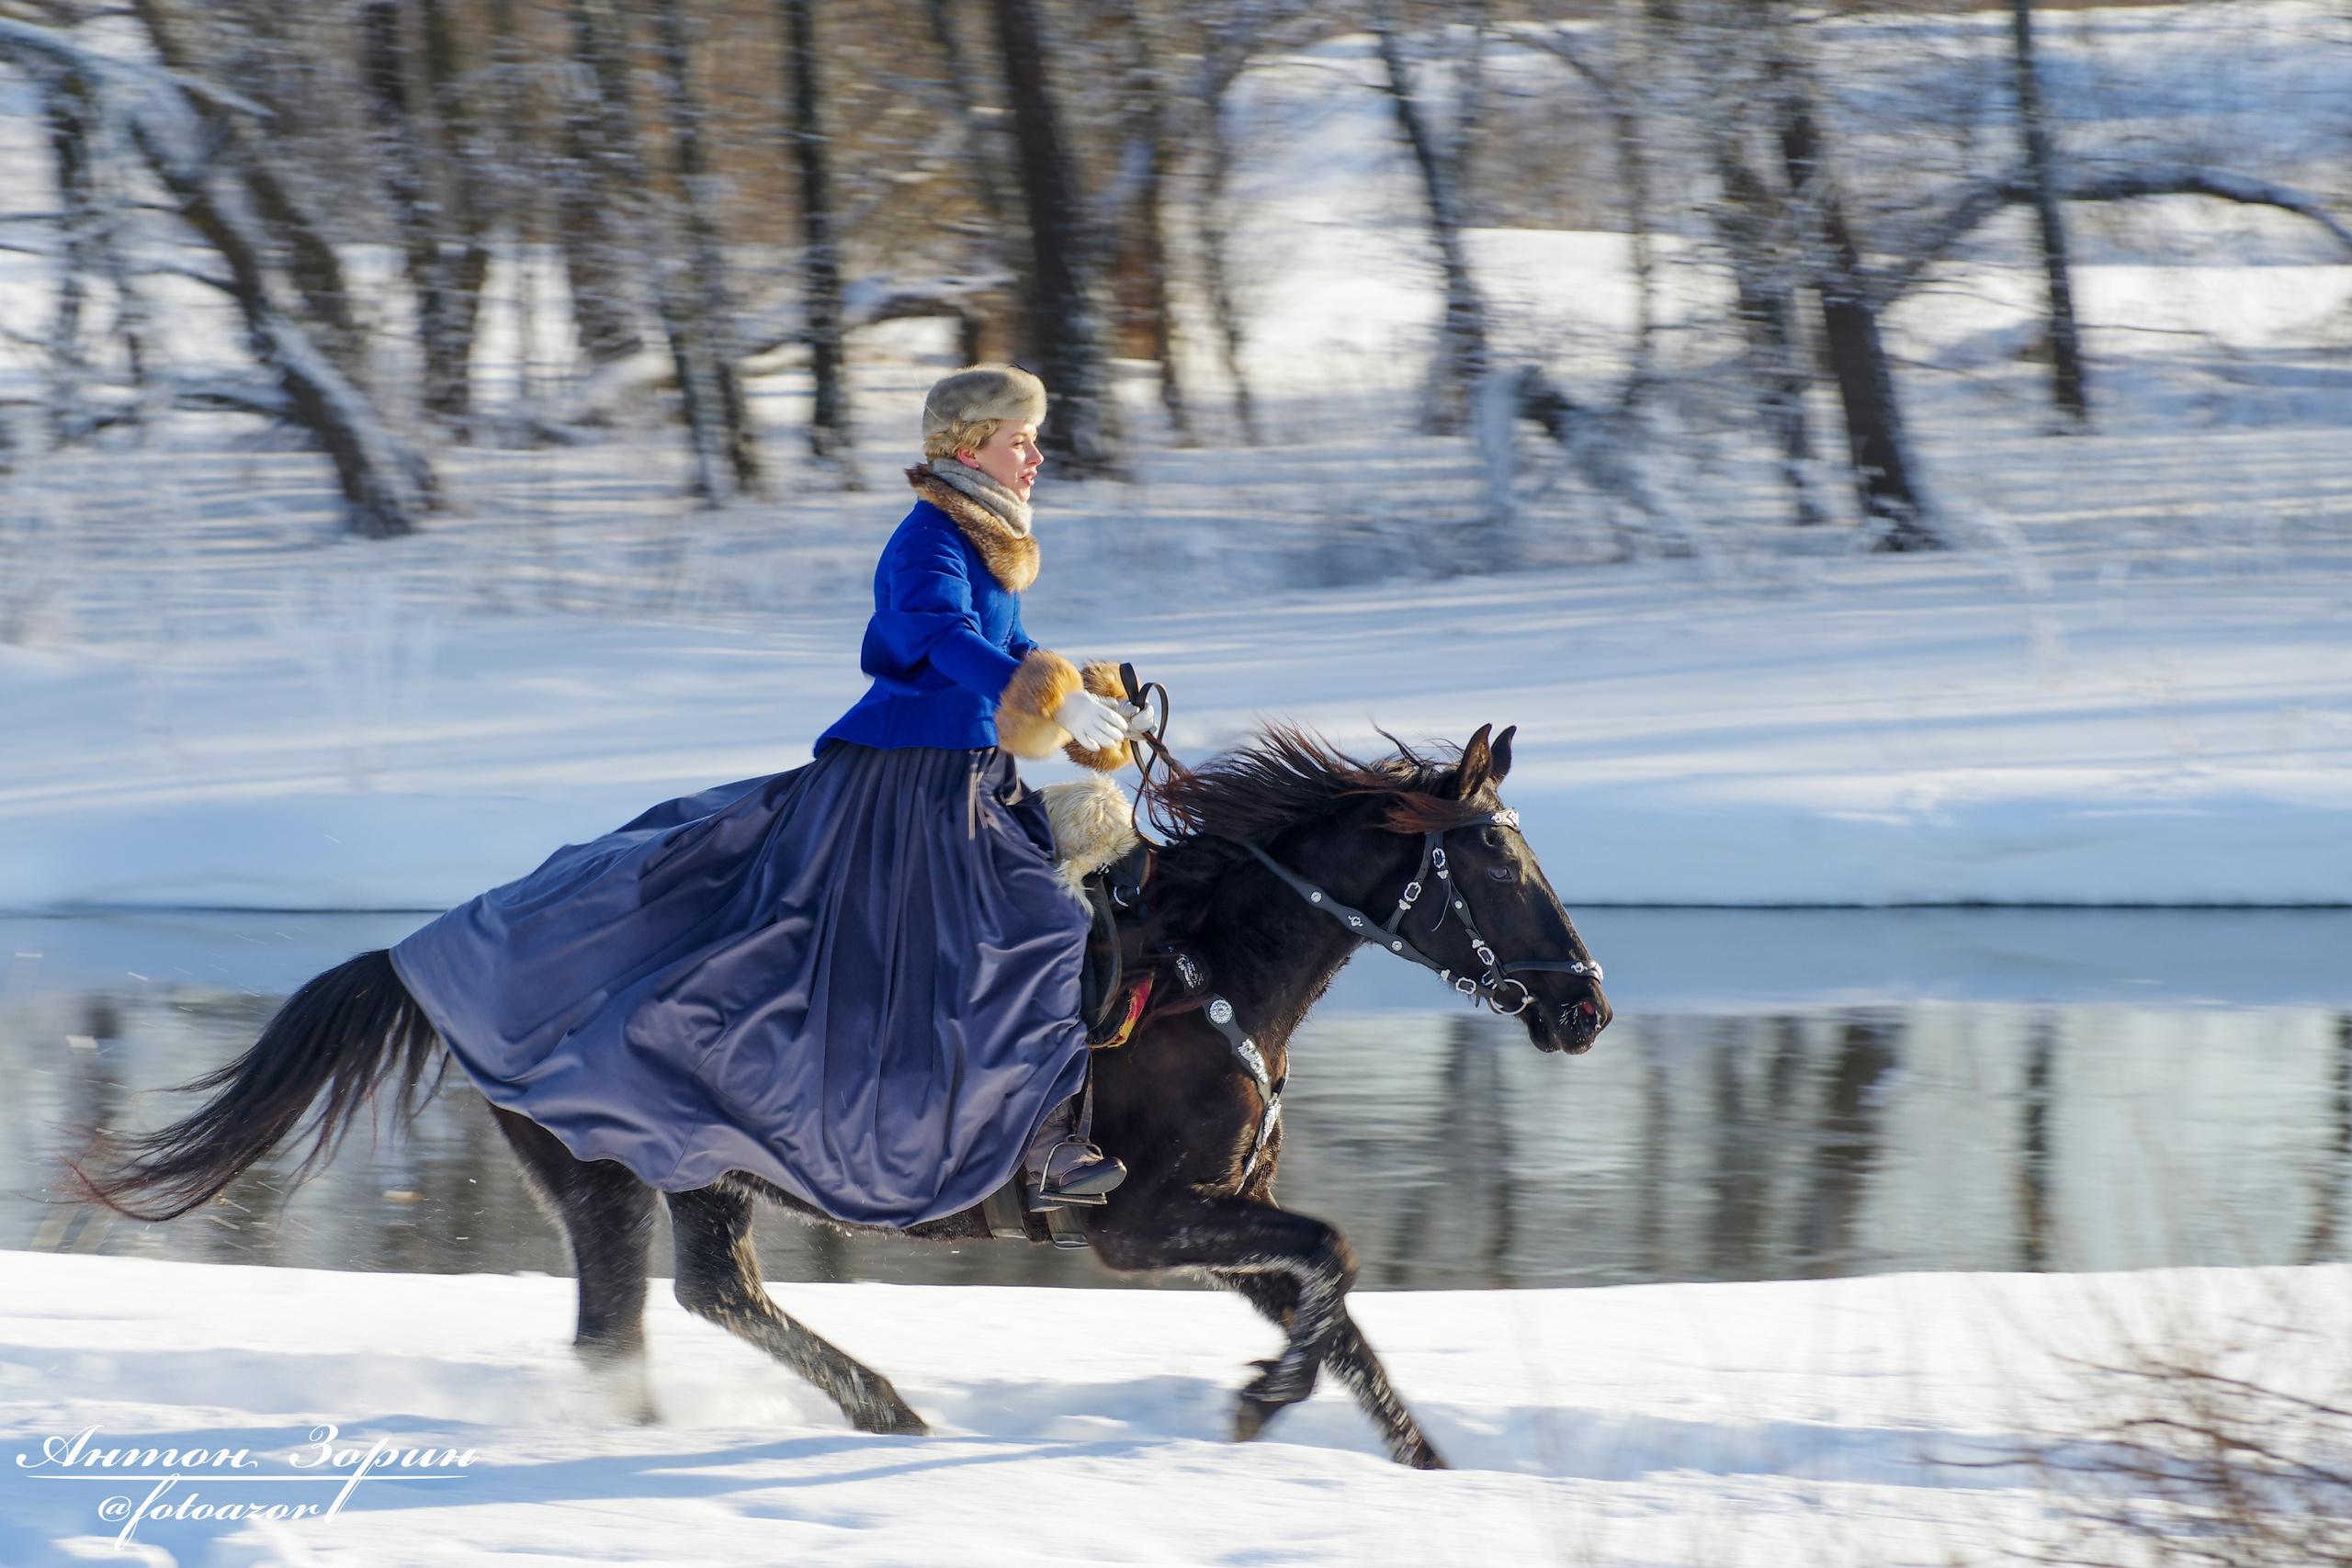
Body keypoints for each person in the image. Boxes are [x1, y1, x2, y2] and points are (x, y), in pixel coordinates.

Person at [390, 365, 1136, 1227]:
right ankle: (1035, 1144)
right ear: (972, 446)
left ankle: (1048, 1120)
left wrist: (1080, 690)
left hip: (972, 774)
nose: (1035, 454)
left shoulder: (986, 536)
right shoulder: (929, 538)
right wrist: (1040, 694)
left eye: (1031, 439)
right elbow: (943, 640)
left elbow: (1007, 639)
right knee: (1034, 928)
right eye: (1020, 439)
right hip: (912, 786)